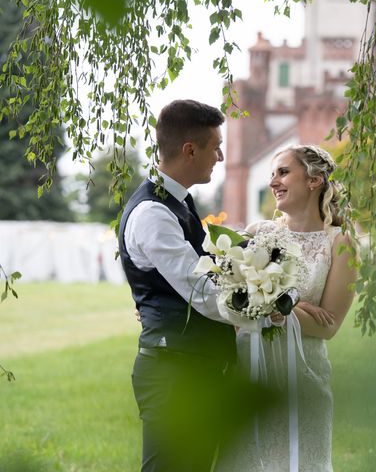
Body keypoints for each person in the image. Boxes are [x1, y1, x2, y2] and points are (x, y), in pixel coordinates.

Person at [216, 144, 357, 471]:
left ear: (314, 180)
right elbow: (226, 293)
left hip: (305, 380)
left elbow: (329, 326)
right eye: (272, 174)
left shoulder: (340, 242)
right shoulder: (257, 234)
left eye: (283, 172)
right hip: (249, 373)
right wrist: (290, 306)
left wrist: (285, 308)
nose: (273, 182)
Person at [118, 99, 238, 472]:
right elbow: (201, 291)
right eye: (215, 146)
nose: (219, 155)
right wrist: (269, 311)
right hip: (174, 373)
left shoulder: (177, 204)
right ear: (190, 150)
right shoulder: (154, 212)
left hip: (194, 367)